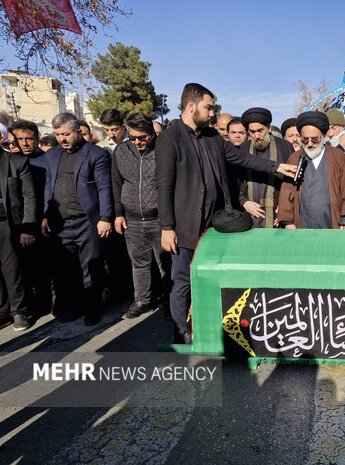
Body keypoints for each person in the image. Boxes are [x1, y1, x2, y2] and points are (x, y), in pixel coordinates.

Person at [155, 83, 296, 344]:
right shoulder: (169, 137)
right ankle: (181, 332)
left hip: (214, 225)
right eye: (208, 107)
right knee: (182, 280)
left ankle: (211, 328)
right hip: (184, 226)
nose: (212, 113)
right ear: (191, 105)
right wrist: (167, 227)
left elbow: (243, 159)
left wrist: (276, 167)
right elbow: (163, 185)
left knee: (212, 278)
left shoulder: (212, 137)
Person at [43, 112, 112, 325]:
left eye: (66, 134)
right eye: (58, 134)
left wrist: (105, 217)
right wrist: (45, 215)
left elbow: (104, 187)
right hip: (60, 222)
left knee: (91, 267)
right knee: (66, 269)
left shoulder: (96, 154)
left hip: (87, 221)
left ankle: (92, 309)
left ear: (78, 132)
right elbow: (48, 186)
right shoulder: (51, 155)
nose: (62, 139)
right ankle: (74, 307)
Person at [112, 112, 171, 320]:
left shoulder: (165, 150)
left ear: (151, 133)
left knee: (166, 266)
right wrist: (118, 214)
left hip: (160, 220)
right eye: (132, 137)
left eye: (142, 137)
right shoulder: (121, 151)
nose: (137, 142)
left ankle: (169, 302)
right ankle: (142, 301)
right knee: (139, 265)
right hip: (133, 220)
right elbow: (116, 183)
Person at [278, 111, 345, 229]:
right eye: (305, 140)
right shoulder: (295, 158)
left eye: (314, 139)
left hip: (333, 222)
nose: (310, 144)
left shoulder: (337, 156)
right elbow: (287, 191)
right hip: (302, 223)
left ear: (323, 136)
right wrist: (288, 222)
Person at [10, 119, 52, 316]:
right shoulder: (11, 162)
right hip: (20, 224)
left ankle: (47, 303)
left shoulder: (48, 160)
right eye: (20, 139)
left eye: (29, 138)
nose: (25, 143)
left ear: (37, 138)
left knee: (46, 266)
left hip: (44, 221)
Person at [0, 134, 36, 331]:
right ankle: (2, 311)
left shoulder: (17, 162)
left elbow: (29, 196)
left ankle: (19, 311)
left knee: (12, 269)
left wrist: (27, 228)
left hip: (9, 224)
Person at [239, 107, 294, 228]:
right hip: (250, 215)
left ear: (269, 128)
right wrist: (244, 202)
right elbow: (236, 182)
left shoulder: (285, 147)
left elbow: (292, 182)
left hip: (278, 215)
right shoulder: (243, 150)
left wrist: (285, 208)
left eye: (260, 130)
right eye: (252, 132)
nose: (257, 136)